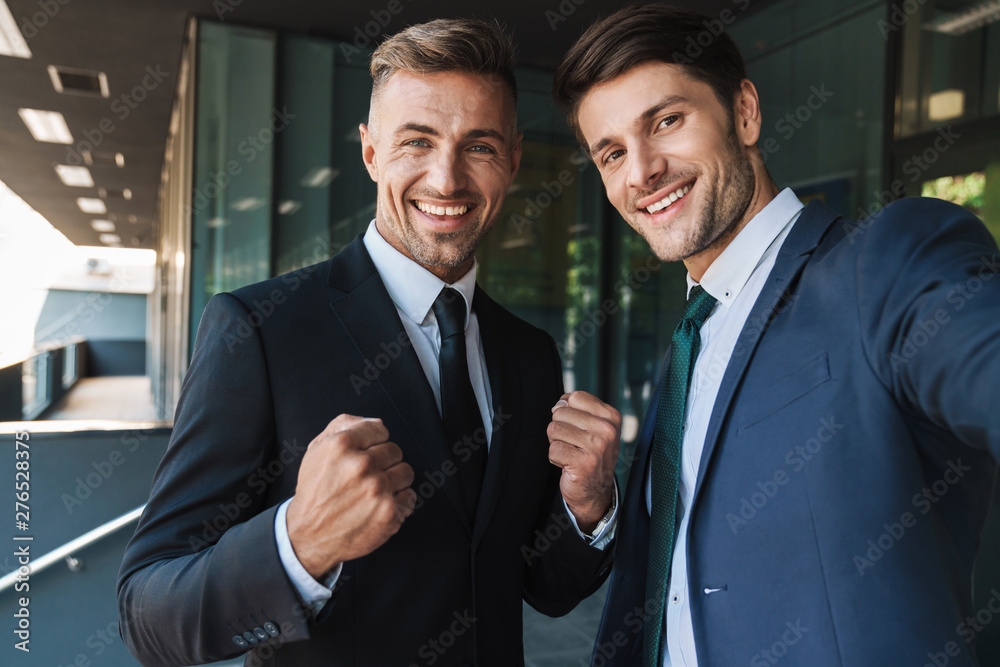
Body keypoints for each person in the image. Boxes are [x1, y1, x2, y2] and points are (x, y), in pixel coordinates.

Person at [118, 18, 621, 667]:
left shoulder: (531, 354)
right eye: (417, 141)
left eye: (480, 147)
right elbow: (148, 614)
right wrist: (298, 544)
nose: (446, 180)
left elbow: (542, 588)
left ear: (514, 160)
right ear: (370, 152)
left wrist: (589, 508)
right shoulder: (262, 329)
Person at [553, 4, 1000, 666]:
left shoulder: (885, 264)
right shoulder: (688, 341)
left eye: (667, 121)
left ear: (745, 114)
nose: (641, 171)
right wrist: (599, 507)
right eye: (612, 152)